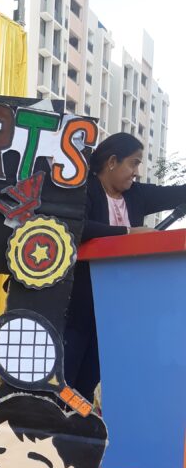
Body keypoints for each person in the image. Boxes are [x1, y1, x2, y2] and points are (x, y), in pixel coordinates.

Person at [64, 132, 186, 400]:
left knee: (87, 383)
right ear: (112, 162)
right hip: (79, 306)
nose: (136, 172)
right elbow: (76, 226)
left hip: (117, 310)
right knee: (65, 378)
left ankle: (78, 424)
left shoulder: (137, 194)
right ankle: (49, 422)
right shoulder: (84, 188)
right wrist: (128, 233)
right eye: (134, 163)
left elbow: (178, 193)